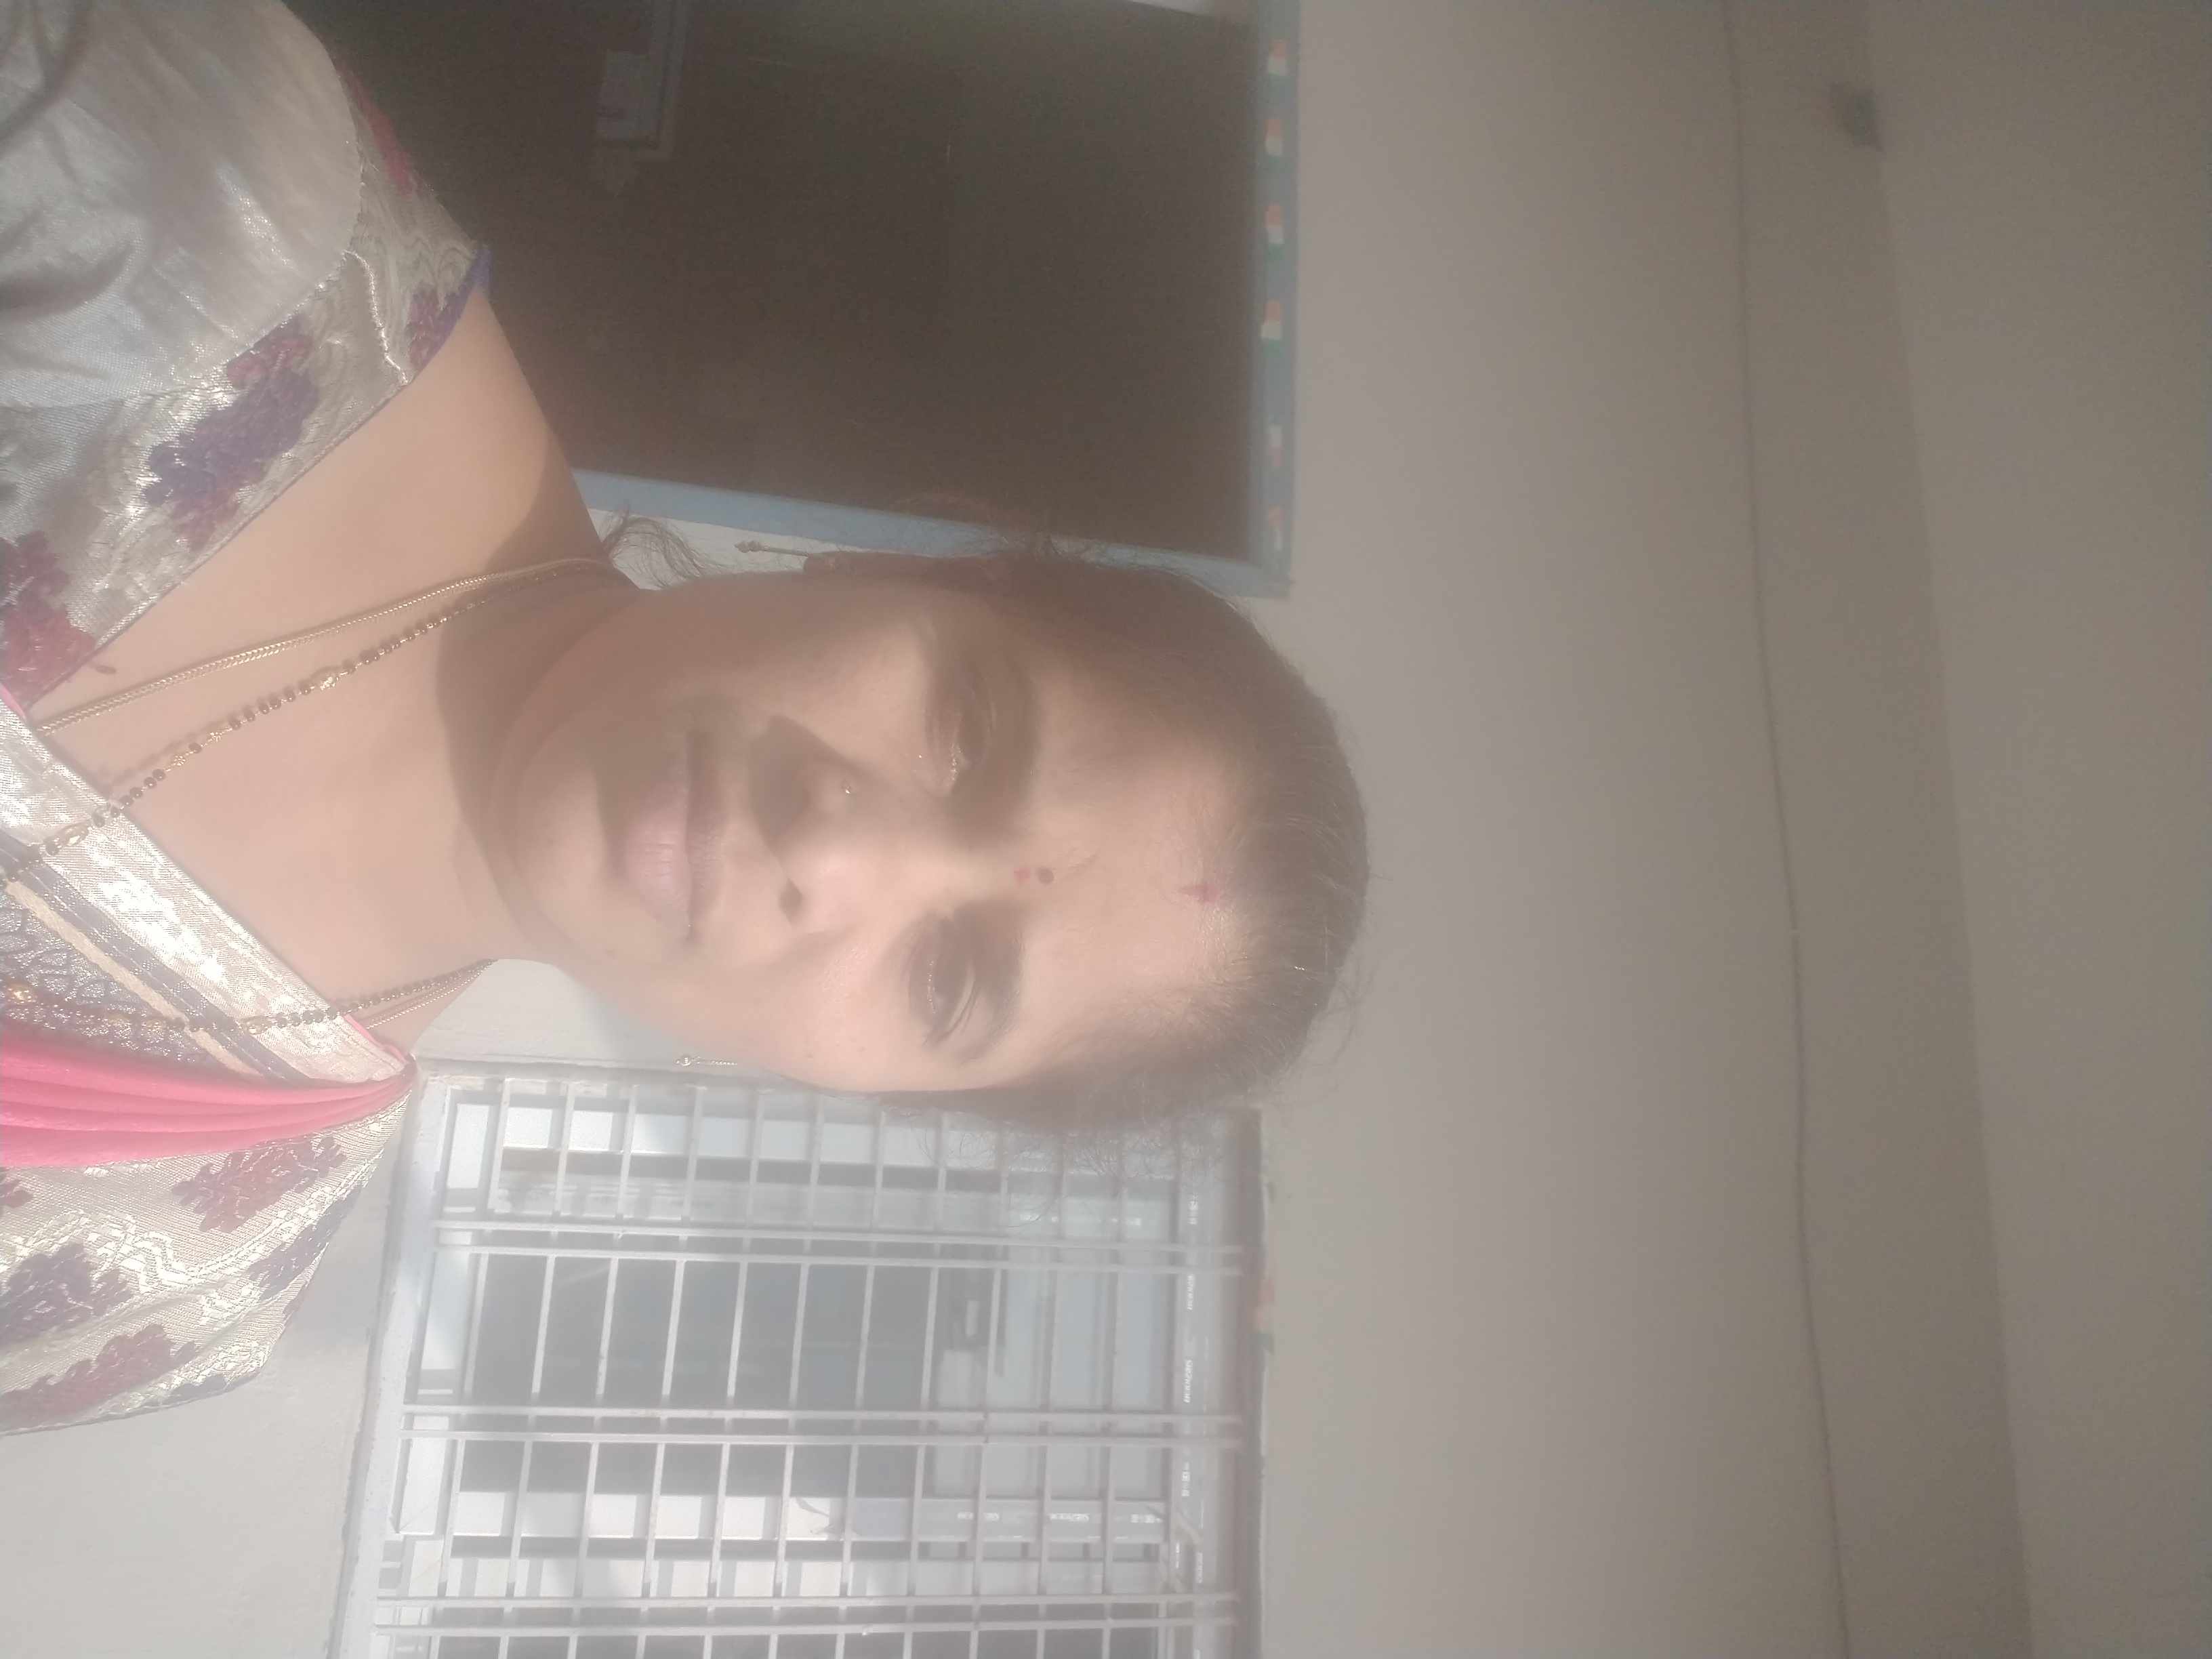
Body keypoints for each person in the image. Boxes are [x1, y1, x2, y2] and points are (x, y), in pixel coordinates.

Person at [0, 0, 1364, 1431]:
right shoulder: (188, 215)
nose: (836, 853)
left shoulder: (169, 1293)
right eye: (969, 731)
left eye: (950, 978)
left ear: (859, 1090)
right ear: (908, 569)